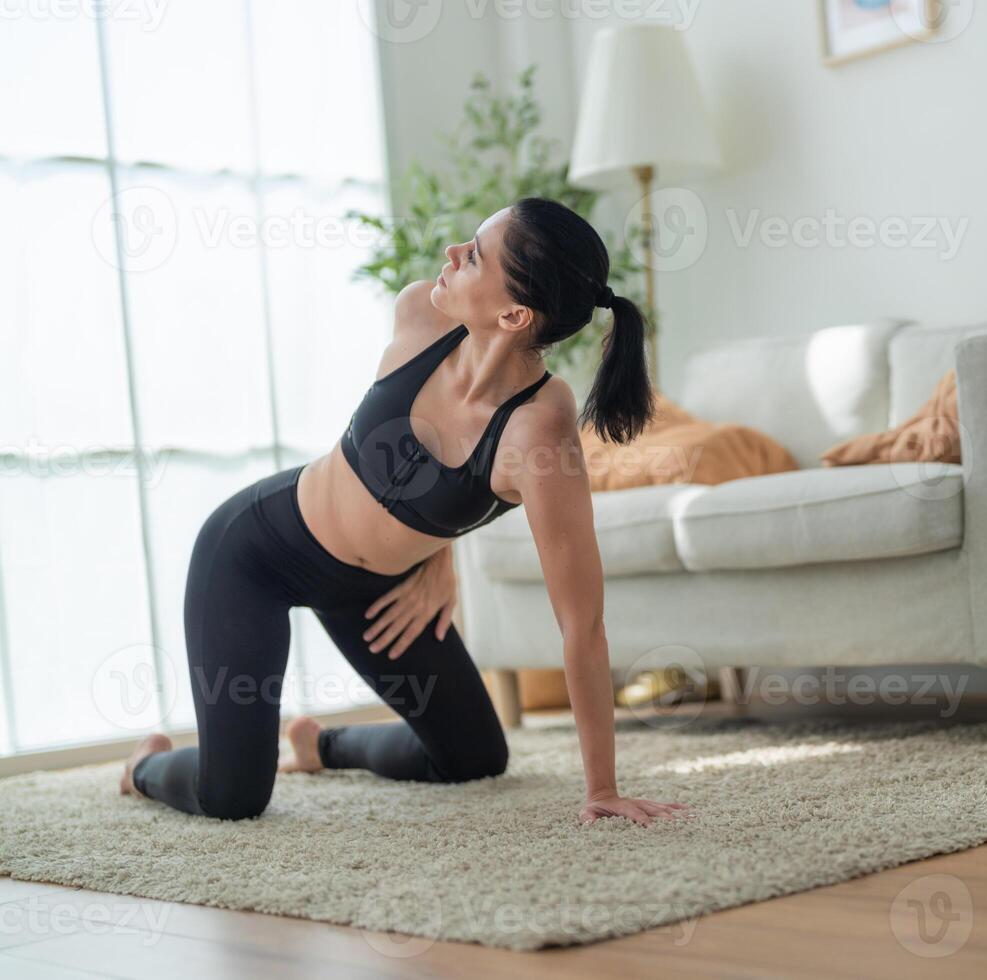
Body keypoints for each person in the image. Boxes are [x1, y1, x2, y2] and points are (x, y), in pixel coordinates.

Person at [119, 197, 689, 828]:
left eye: (473, 256)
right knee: (229, 798)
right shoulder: (422, 312)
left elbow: (582, 623)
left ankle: (321, 746)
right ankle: (144, 766)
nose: (451, 254)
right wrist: (441, 553)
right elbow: (403, 466)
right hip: (256, 555)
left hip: (374, 591)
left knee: (473, 756)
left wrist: (601, 788)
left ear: (514, 312)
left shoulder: (540, 432)